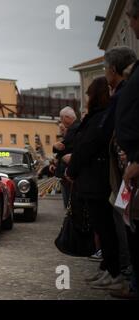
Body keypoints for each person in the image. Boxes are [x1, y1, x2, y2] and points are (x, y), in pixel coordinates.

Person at [66, 77, 121, 290]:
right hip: (91, 180)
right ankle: (107, 268)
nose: (86, 99)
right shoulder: (99, 117)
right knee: (102, 227)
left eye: (88, 95)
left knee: (105, 228)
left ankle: (113, 270)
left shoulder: (100, 118)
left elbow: (86, 147)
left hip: (95, 181)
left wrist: (72, 168)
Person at [110, 0, 139, 299]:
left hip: (135, 162)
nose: (129, 24)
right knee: (131, 224)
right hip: (130, 161)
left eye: (132, 18)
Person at [54, 107, 80, 209]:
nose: (61, 121)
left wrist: (55, 148)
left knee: (70, 204)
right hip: (67, 172)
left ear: (67, 117)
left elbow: (64, 148)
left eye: (61, 118)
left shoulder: (74, 129)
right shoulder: (75, 128)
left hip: (69, 173)